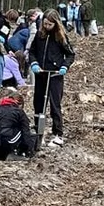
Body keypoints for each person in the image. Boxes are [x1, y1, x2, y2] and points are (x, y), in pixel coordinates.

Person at [28, 9, 75, 147]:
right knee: (39, 104)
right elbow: (32, 52)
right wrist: (34, 63)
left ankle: (58, 134)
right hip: (41, 74)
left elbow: (71, 55)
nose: (47, 26)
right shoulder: (39, 35)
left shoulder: (61, 37)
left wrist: (64, 67)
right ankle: (38, 132)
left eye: (50, 24)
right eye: (45, 24)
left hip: (55, 75)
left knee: (55, 104)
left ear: (55, 24)